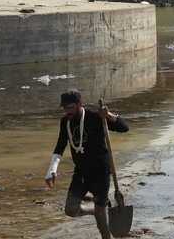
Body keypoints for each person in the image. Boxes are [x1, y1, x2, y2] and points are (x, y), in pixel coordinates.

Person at [44, 89, 128, 239]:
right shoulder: (65, 122)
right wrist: (51, 170)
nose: (67, 111)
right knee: (70, 209)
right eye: (64, 108)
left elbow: (124, 127)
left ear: (79, 104)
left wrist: (108, 115)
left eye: (70, 107)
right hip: (81, 172)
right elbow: (60, 146)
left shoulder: (96, 117)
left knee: (101, 212)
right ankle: (92, 210)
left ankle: (105, 235)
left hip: (101, 171)